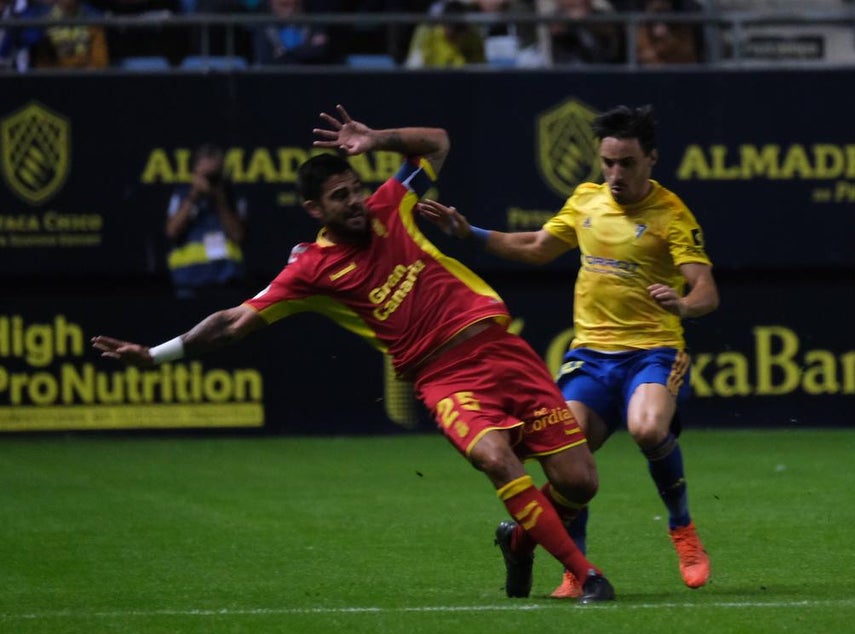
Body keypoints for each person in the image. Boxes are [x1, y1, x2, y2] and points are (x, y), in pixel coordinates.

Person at [91, 105, 616, 604]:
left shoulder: (391, 202)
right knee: (494, 457)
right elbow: (232, 322)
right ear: (314, 210)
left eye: (356, 189)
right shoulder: (310, 270)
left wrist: (376, 139)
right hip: (443, 377)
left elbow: (438, 143)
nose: (355, 201)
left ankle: (519, 542)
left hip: (500, 349)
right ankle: (587, 574)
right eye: (340, 196)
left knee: (579, 481)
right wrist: (155, 355)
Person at [418, 104, 718, 598]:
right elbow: (537, 245)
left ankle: (682, 529)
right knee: (567, 458)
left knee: (647, 428)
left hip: (653, 349)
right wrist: (469, 233)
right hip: (592, 356)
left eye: (627, 163)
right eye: (608, 162)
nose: (615, 174)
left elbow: (706, 289)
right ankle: (574, 568)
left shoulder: (672, 214)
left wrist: (684, 304)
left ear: (652, 159)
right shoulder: (586, 200)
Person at [164, 143, 248, 300]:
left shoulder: (232, 196)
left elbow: (238, 236)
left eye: (214, 175)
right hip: (187, 280)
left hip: (226, 278)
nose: (210, 180)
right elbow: (171, 231)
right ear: (195, 171)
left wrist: (219, 198)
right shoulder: (182, 194)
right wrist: (194, 196)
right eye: (206, 175)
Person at [30, 0, 110, 69]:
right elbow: (44, 65)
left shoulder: (93, 20)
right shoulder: (43, 21)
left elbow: (99, 62)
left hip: (85, 77)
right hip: (55, 77)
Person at [251, 0, 332, 66]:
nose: (291, 9)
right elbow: (265, 59)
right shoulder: (262, 25)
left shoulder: (315, 23)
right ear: (271, 3)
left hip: (309, 76)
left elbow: (318, 53)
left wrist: (283, 52)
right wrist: (306, 48)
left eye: (296, 4)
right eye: (284, 5)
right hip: (275, 77)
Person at [635, 0, 701, 65]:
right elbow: (641, 55)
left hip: (680, 62)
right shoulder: (642, 30)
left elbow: (687, 55)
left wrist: (666, 45)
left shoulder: (686, 15)